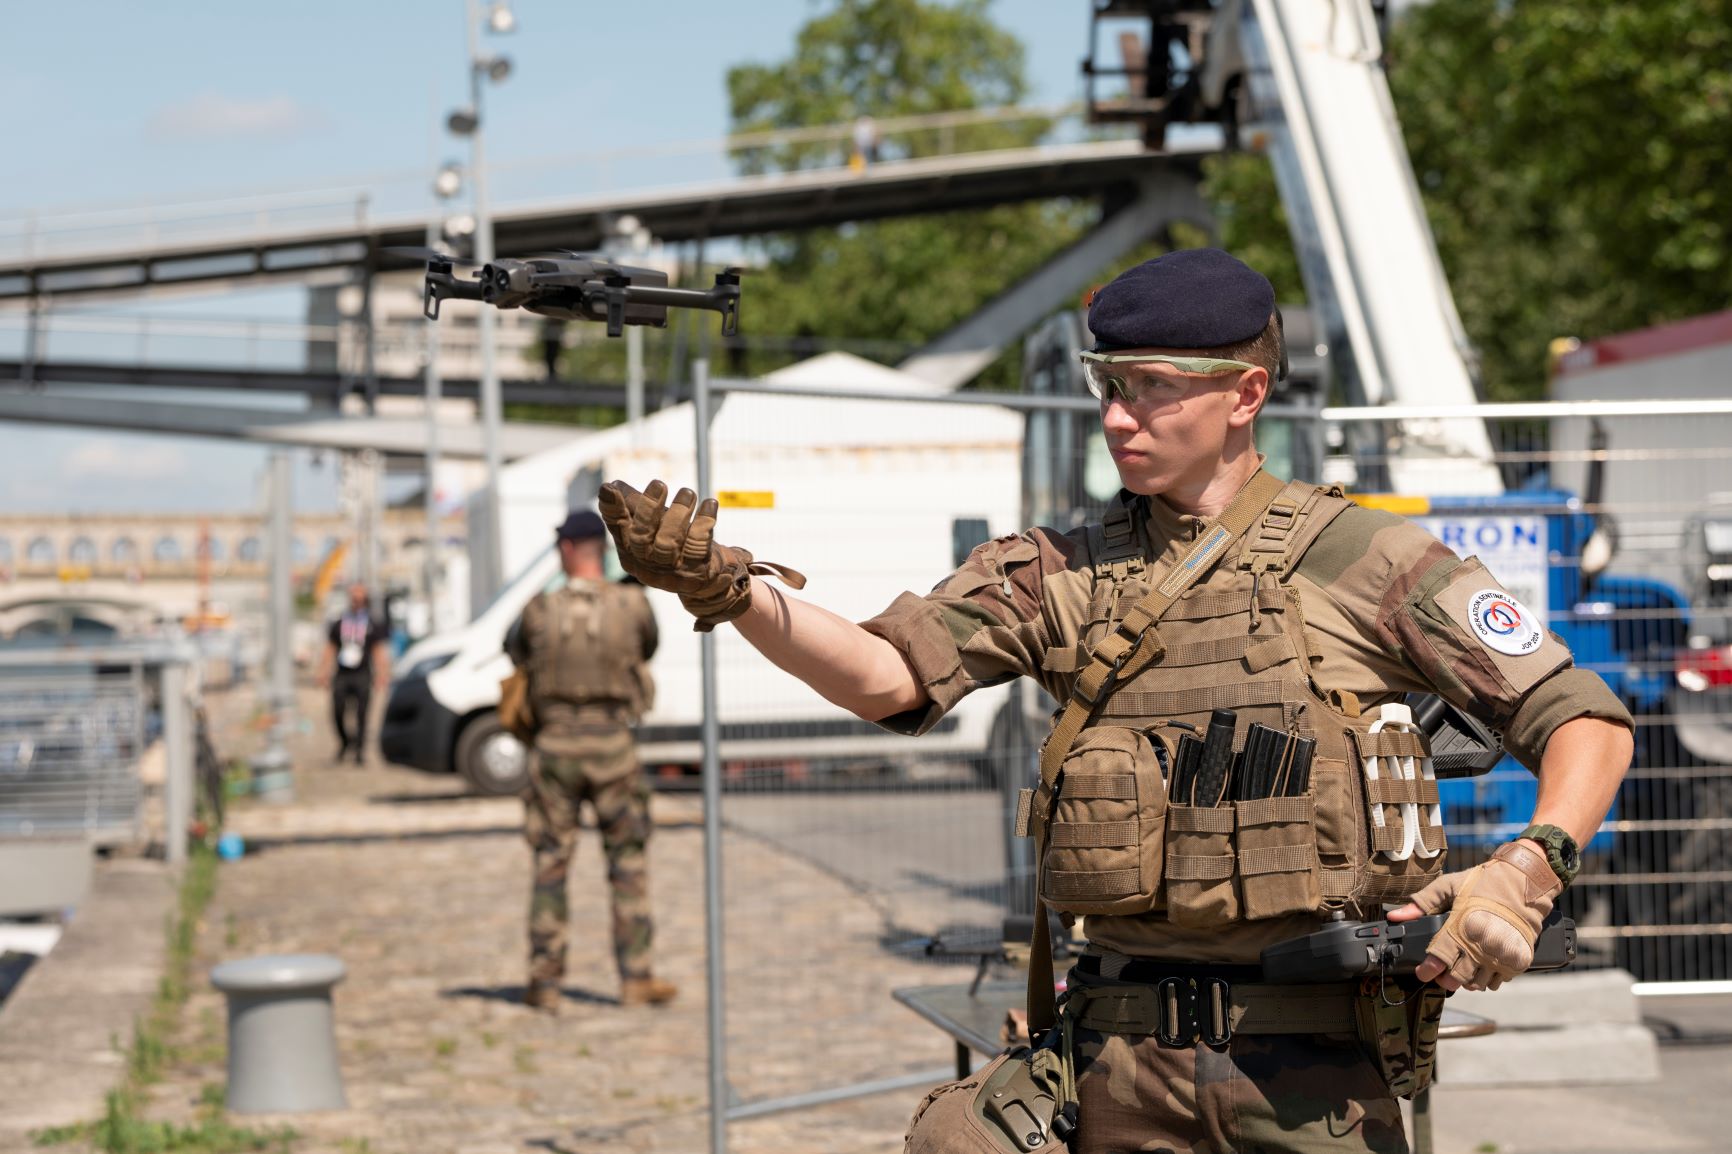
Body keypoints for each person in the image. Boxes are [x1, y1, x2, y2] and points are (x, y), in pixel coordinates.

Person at [597, 249, 1636, 1153]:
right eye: (1108, 385)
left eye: (1149, 388)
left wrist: (1524, 868)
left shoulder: (1367, 557)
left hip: (1315, 1068)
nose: (1114, 415)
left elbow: (1579, 713)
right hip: (1117, 1057)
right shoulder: (1061, 567)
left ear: (1244, 393)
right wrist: (733, 593)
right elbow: (887, 676)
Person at [505, 509, 675, 1012]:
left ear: (566, 550)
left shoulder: (537, 609)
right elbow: (649, 647)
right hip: (612, 748)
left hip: (555, 747)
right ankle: (636, 978)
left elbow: (515, 652)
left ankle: (545, 981)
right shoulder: (632, 605)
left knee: (550, 866)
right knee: (627, 865)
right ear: (599, 550)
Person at [318, 582, 390, 766]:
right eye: (354, 598)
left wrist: (382, 673)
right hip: (343, 673)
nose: (357, 602)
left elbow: (378, 650)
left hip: (363, 673)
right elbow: (330, 647)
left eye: (360, 598)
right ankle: (345, 743)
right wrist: (323, 671)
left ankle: (359, 751)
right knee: (337, 710)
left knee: (362, 714)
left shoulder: (372, 624)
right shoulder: (340, 622)